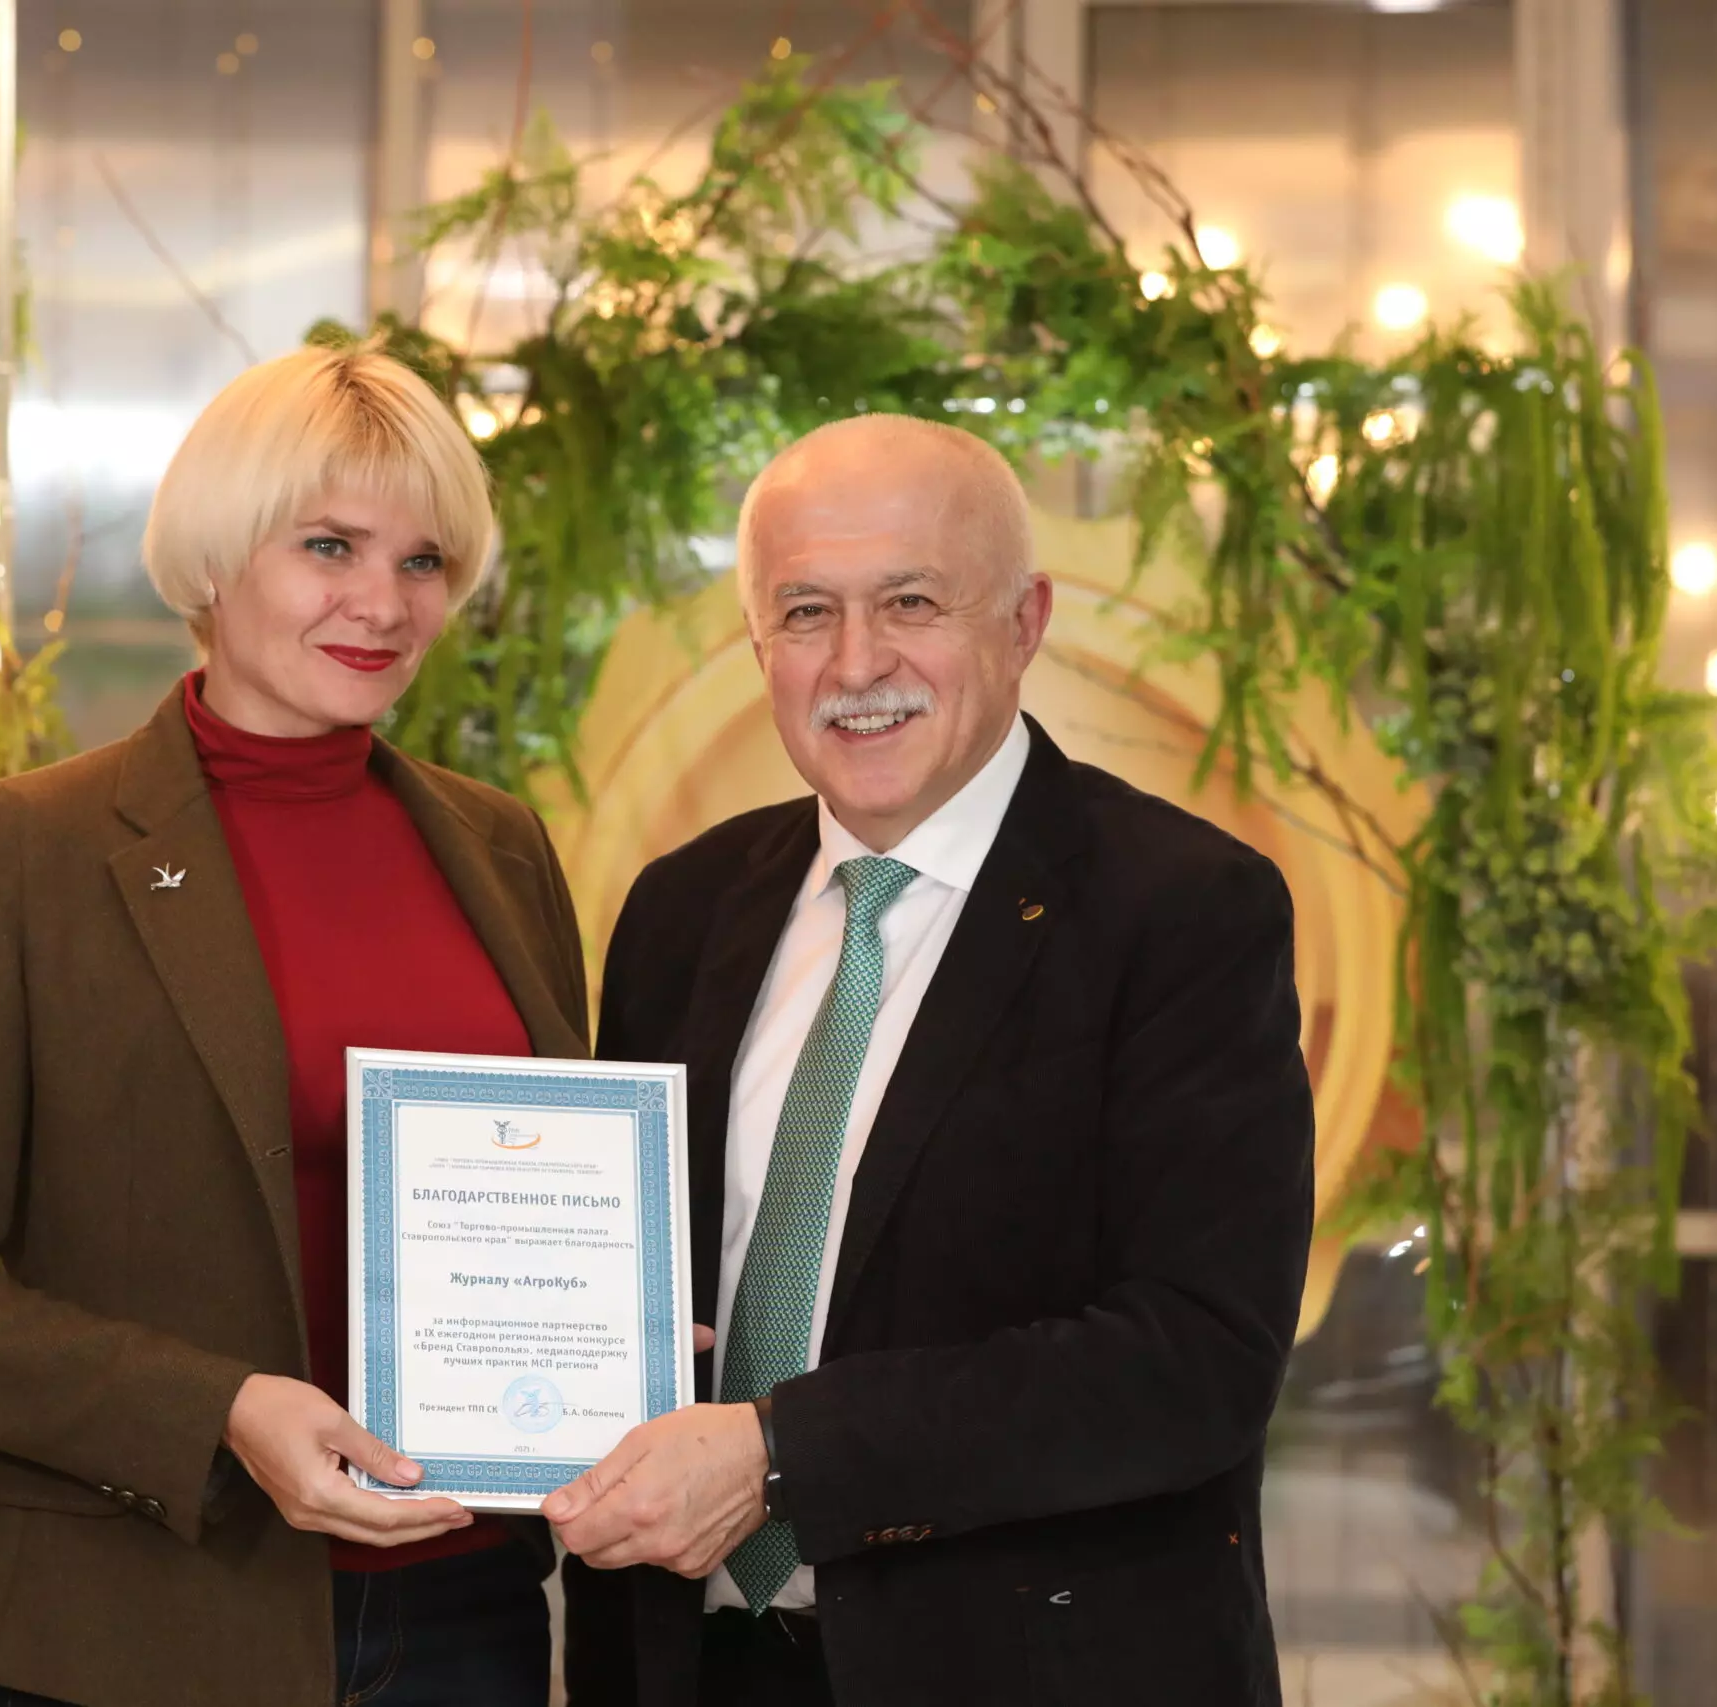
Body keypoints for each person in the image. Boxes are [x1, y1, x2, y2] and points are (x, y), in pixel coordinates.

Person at [0, 344, 586, 1707]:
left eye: (423, 561)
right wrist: (217, 1410)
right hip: (144, 1620)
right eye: (330, 546)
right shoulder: (29, 850)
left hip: (466, 1614)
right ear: (215, 559)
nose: (383, 603)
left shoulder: (499, 845)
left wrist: (614, 1312)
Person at [550, 414, 1316, 1707]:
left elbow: (1193, 1359)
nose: (858, 662)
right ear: (758, 643)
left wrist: (783, 1456)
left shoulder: (1185, 909)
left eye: (911, 601)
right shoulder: (682, 906)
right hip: (691, 1667)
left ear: (1025, 621)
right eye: (806, 612)